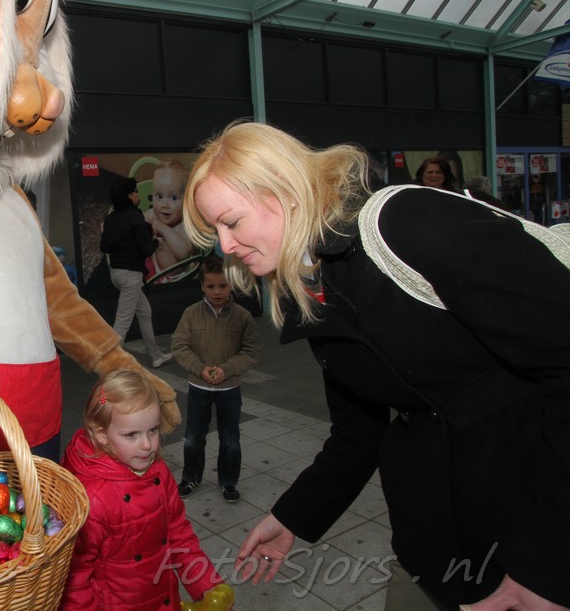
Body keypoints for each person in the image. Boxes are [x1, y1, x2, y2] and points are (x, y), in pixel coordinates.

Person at [181, 120, 570, 609]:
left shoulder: (407, 224)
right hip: (433, 546)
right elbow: (357, 433)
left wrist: (546, 567)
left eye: (232, 222)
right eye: (215, 230)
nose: (225, 246)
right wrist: (294, 517)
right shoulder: (311, 285)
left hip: (535, 533)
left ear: (286, 194)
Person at [61, 369, 229, 610]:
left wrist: (207, 587)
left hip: (162, 597)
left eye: (153, 430)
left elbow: (179, 534)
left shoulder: (158, 471)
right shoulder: (92, 498)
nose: (148, 445)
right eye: (132, 435)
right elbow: (75, 579)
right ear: (101, 434)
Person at [171, 256, 260, 503]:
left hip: (229, 389)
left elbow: (251, 351)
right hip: (198, 387)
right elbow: (179, 346)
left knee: (230, 439)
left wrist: (228, 369)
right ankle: (191, 477)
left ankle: (228, 482)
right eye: (210, 286)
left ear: (231, 284)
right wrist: (199, 368)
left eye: (222, 285)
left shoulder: (242, 316)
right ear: (202, 286)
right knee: (193, 437)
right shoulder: (190, 314)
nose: (217, 291)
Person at [100, 177, 172, 368]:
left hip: (116, 274)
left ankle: (156, 356)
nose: (138, 195)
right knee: (122, 322)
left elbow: (104, 246)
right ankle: (112, 366)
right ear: (129, 196)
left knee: (145, 312)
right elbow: (146, 249)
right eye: (135, 191)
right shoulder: (135, 217)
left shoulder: (111, 218)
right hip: (131, 275)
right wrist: (157, 241)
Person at [143, 160, 192, 282]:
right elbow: (135, 221)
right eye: (159, 196)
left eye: (173, 197)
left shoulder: (184, 225)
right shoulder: (153, 215)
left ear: (186, 200)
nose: (164, 205)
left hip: (176, 278)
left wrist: (164, 229)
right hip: (153, 268)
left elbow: (184, 253)